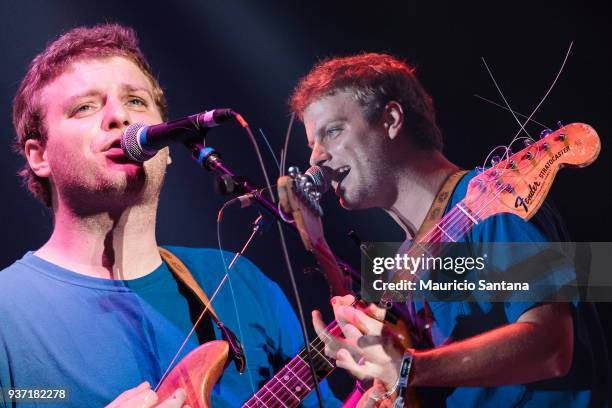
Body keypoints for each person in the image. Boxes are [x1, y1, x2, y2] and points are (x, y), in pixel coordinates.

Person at [0, 24, 339, 407]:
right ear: (38, 156)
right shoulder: (7, 312)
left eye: (136, 102)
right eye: (85, 107)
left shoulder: (240, 283)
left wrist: (385, 390)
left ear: (169, 146)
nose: (119, 117)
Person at [289, 53, 611, 406]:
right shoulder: (403, 260)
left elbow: (552, 346)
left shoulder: (491, 201)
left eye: (332, 132)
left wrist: (410, 368)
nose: (315, 158)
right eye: (311, 144)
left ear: (391, 119)